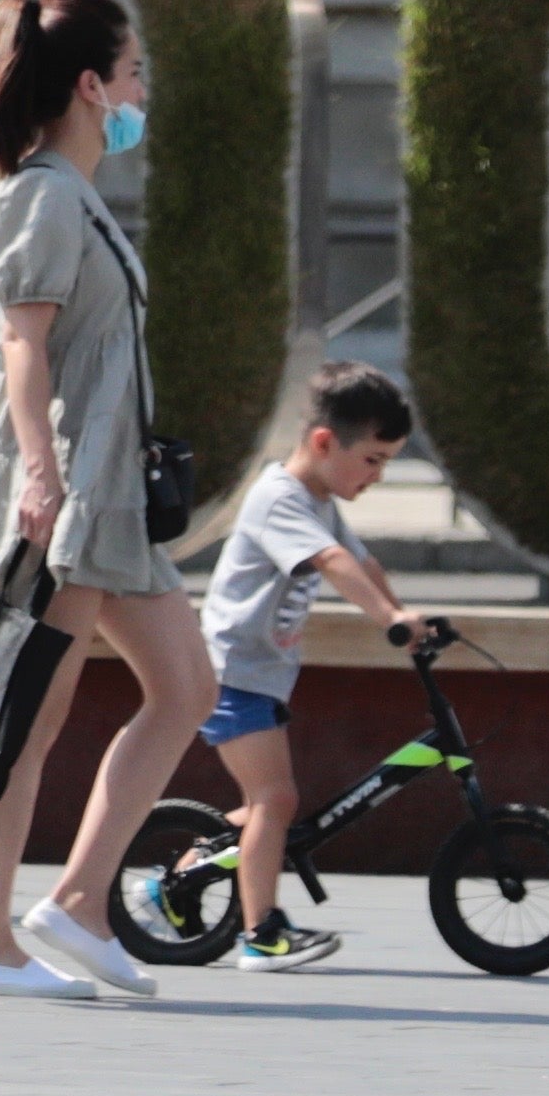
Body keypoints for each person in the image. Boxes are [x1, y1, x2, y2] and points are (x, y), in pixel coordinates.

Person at [0, 0, 223, 1004]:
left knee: (184, 686)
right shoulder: (38, 196)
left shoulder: (68, 194)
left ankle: (74, 900)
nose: (140, 91)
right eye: (133, 73)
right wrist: (41, 470)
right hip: (63, 489)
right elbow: (19, 343)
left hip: (99, 487)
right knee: (28, 709)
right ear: (89, 84)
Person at [187, 362, 448, 969]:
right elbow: (332, 562)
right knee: (275, 801)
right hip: (233, 676)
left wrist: (403, 612)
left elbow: (362, 561)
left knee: (265, 807)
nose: (380, 475)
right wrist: (387, 620)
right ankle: (261, 935)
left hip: (259, 676)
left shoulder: (319, 499)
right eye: (375, 460)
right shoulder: (279, 499)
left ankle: (177, 878)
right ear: (325, 443)